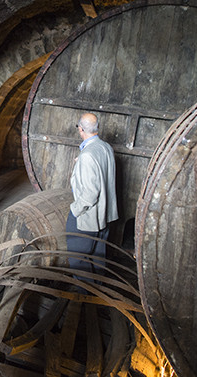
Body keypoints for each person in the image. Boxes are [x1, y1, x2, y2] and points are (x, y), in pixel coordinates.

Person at [66, 112, 118, 279]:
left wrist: (75, 210)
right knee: (97, 259)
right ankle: (98, 297)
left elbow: (90, 194)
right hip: (104, 217)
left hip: (88, 219)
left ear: (81, 129)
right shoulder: (106, 147)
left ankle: (83, 300)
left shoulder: (87, 155)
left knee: (78, 262)